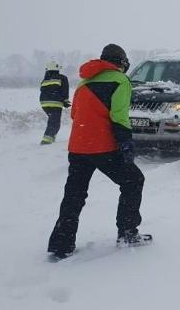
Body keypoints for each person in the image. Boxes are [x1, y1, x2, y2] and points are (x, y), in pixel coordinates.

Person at [47, 44, 149, 260]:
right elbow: (119, 116)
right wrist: (126, 145)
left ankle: (61, 245)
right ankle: (128, 233)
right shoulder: (120, 81)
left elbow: (75, 115)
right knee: (133, 181)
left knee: (73, 196)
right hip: (104, 148)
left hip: (77, 148)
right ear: (120, 63)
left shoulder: (83, 83)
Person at [39, 61, 70, 145]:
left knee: (52, 119)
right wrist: (65, 101)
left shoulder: (44, 80)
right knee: (55, 121)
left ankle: (51, 137)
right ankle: (47, 139)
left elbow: (42, 90)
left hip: (44, 103)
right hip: (55, 103)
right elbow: (64, 90)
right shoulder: (62, 78)